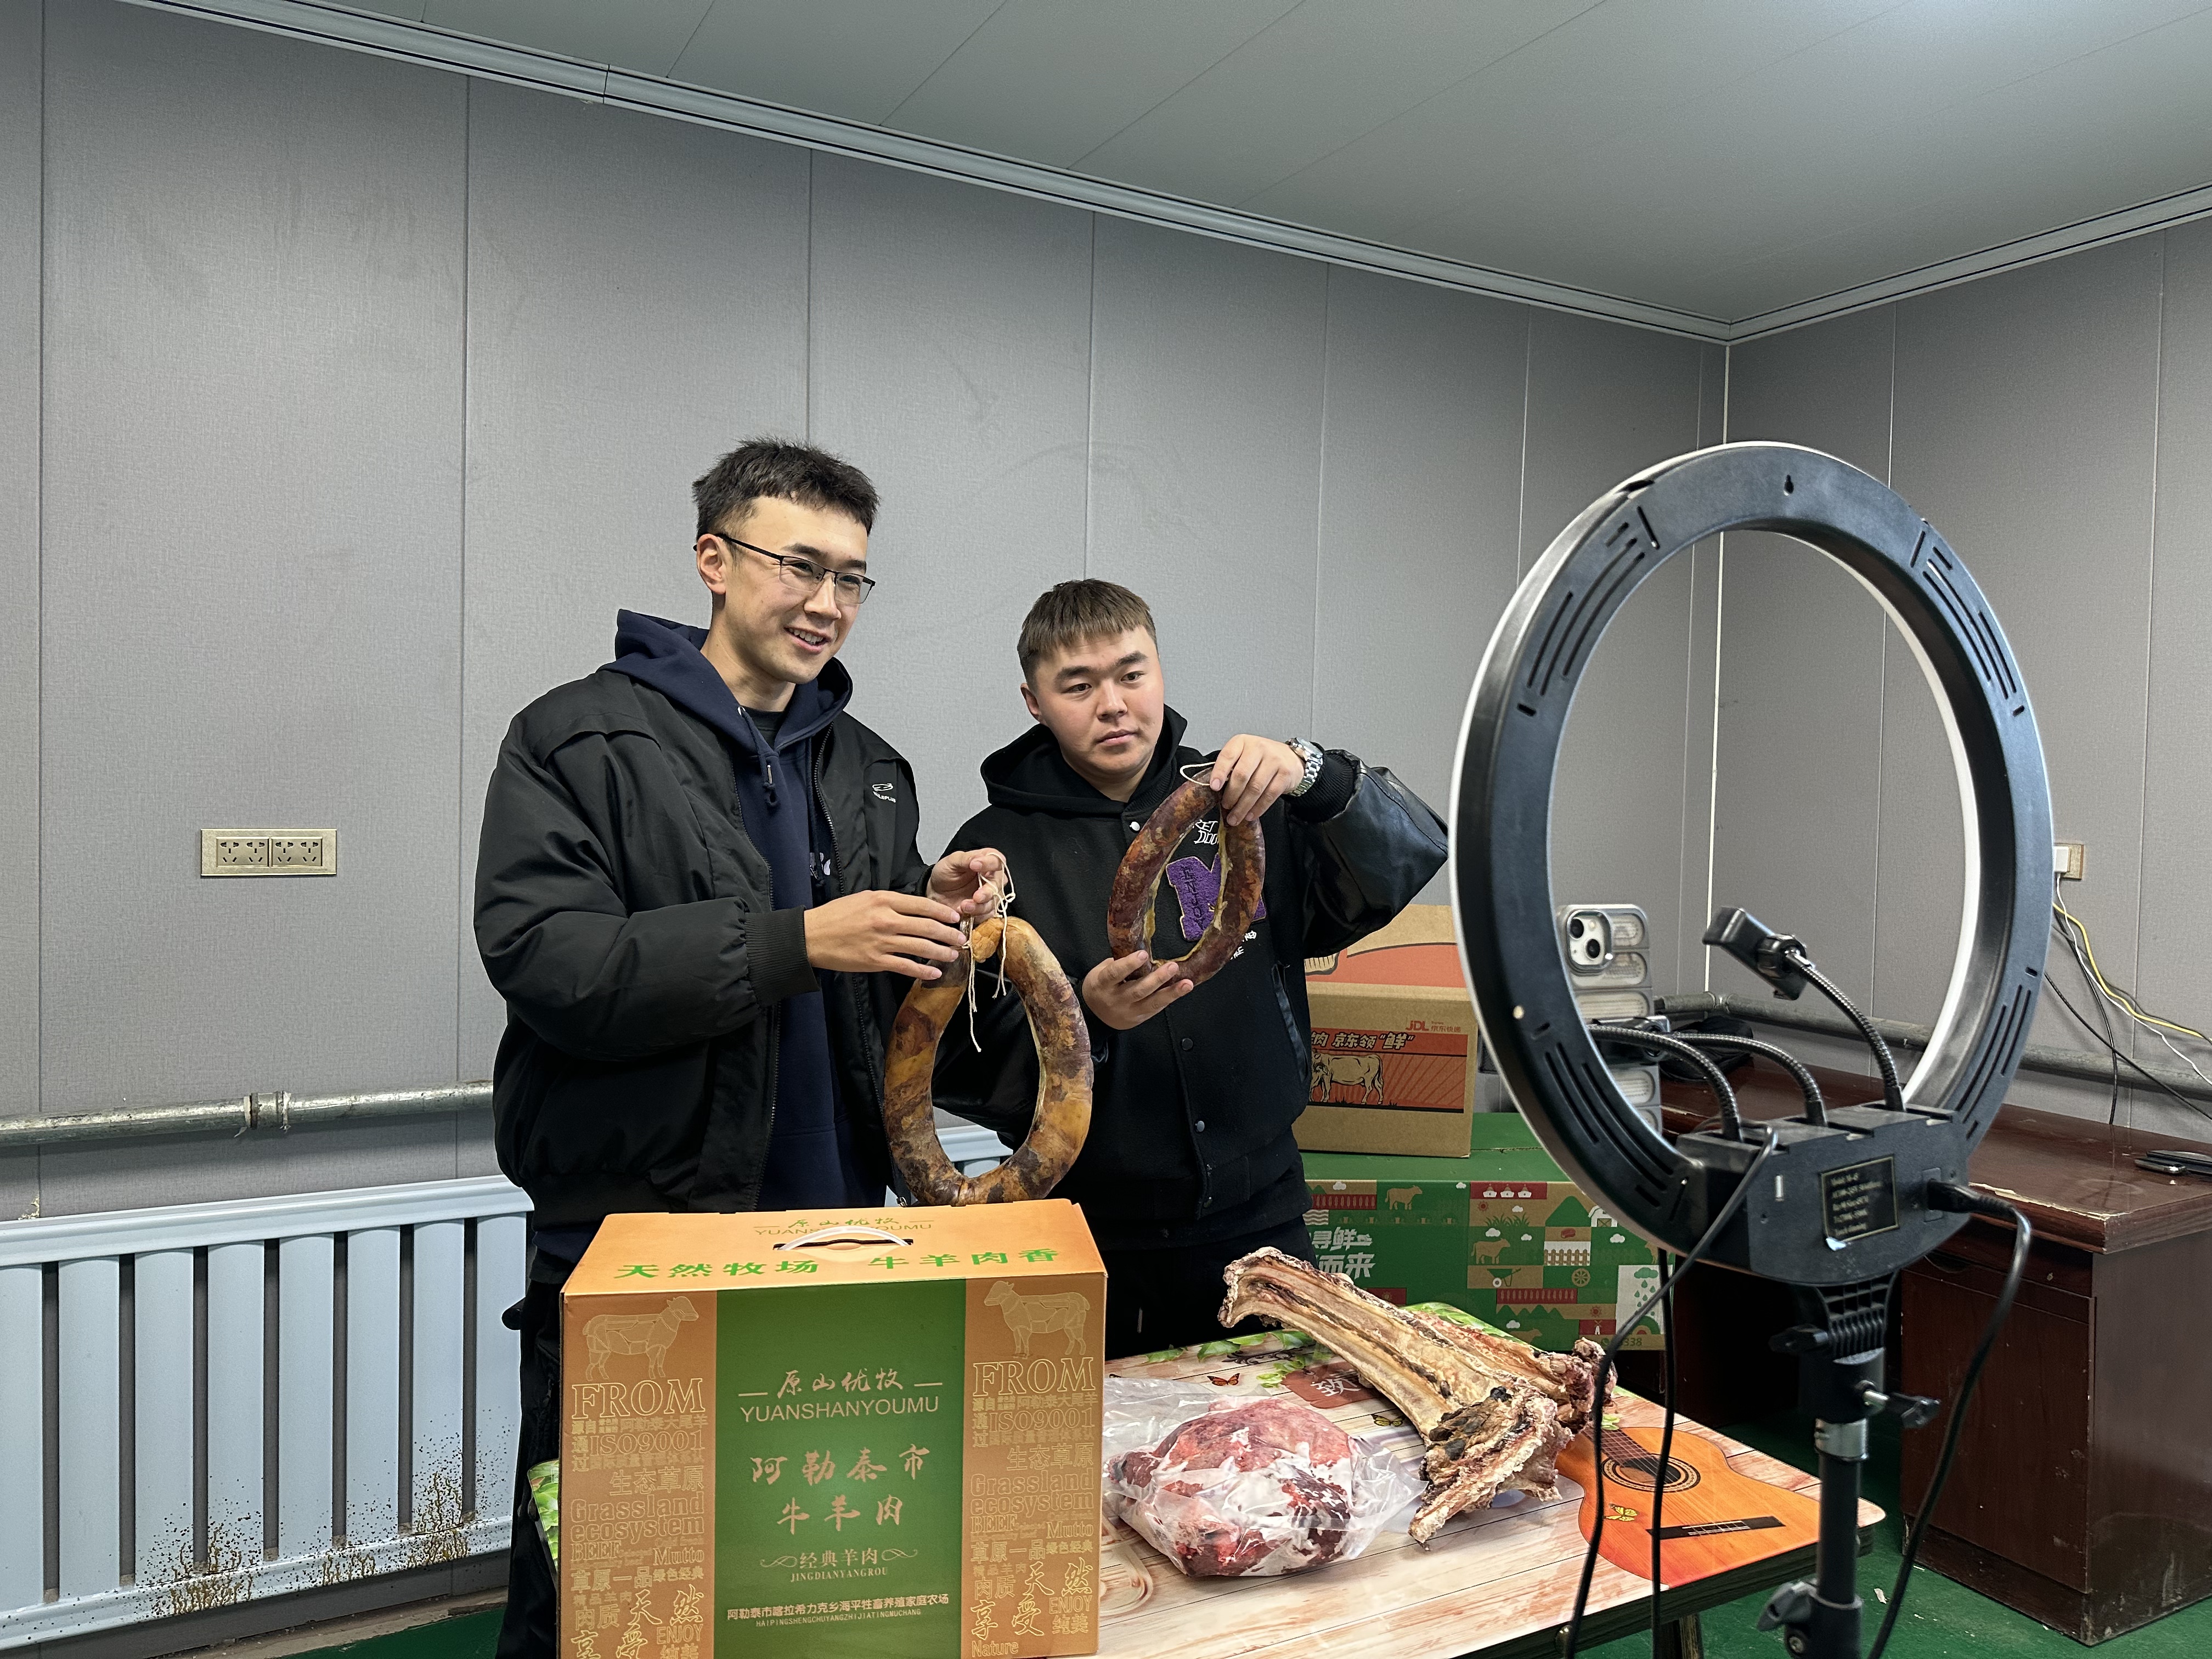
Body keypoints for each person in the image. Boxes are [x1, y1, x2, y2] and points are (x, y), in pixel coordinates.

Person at [473, 439, 1003, 1659]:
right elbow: (551, 964)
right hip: (642, 1241)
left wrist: (928, 906)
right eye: (799, 566)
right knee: (604, 1590)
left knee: (805, 1583)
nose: (828, 603)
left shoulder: (869, 769)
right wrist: (796, 942)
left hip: (835, 1237)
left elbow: (864, 983)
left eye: (853, 578)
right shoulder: (576, 740)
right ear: (713, 561)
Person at [935, 579, 1446, 1359]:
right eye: (1078, 686)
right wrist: (1085, 1022)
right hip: (1089, 1234)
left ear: (1160, 672)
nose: (1113, 705)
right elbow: (958, 1061)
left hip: (1264, 1217)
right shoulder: (993, 853)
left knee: (1278, 1428)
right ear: (1034, 702)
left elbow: (1412, 855)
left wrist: (1316, 773)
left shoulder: (1247, 803)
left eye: (1131, 674)